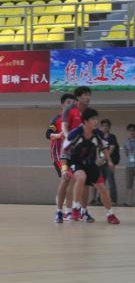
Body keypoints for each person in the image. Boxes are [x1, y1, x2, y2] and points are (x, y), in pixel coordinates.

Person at [60, 108, 120, 224]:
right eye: (93, 119)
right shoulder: (75, 134)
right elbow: (64, 152)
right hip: (75, 163)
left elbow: (104, 148)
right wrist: (64, 170)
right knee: (81, 177)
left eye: (96, 118)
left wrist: (110, 161)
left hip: (90, 164)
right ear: (85, 121)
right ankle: (76, 208)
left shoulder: (98, 134)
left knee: (102, 188)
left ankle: (110, 215)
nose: (96, 121)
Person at [61, 86, 93, 220]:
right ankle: (68, 210)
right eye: (85, 94)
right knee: (70, 180)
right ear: (78, 97)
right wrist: (69, 139)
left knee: (86, 182)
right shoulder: (70, 109)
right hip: (70, 151)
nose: (88, 97)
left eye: (89, 95)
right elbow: (64, 126)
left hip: (85, 152)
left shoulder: (90, 112)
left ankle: (84, 211)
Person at [46, 93, 77, 222]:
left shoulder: (76, 119)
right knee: (67, 176)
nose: (71, 105)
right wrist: (59, 135)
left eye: (73, 102)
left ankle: (69, 211)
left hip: (72, 154)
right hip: (59, 154)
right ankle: (59, 211)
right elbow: (48, 134)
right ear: (63, 104)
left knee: (73, 179)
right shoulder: (57, 118)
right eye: (68, 102)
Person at [91, 119, 120, 206]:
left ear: (109, 127)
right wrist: (97, 160)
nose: (105, 127)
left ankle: (113, 200)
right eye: (103, 126)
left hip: (108, 162)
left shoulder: (112, 137)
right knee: (99, 182)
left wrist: (103, 159)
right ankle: (98, 199)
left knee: (111, 181)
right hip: (100, 163)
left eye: (106, 126)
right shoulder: (99, 137)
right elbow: (96, 149)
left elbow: (111, 149)